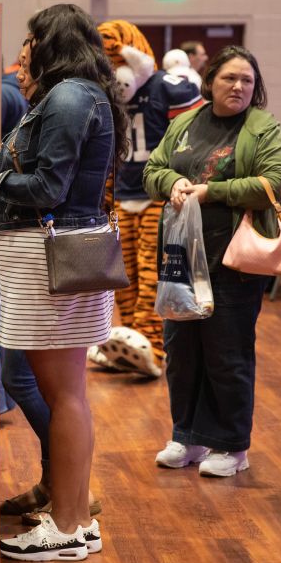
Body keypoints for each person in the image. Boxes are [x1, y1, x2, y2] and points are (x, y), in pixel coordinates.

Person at [0, 3, 128, 561]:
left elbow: (49, 188)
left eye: (31, 38)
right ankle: (76, 521)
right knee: (68, 394)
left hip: (47, 256)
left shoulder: (70, 95)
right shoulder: (74, 94)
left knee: (66, 396)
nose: (25, 48)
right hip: (45, 255)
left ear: (51, 40)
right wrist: (3, 167)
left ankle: (67, 525)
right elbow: (47, 174)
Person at [143, 45, 281, 477]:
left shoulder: (263, 127)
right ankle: (187, 436)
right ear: (210, 82)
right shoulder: (185, 122)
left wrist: (211, 192)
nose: (239, 86)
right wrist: (172, 181)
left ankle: (232, 446)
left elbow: (274, 183)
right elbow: (151, 170)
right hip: (182, 260)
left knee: (227, 354)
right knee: (181, 351)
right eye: (230, 78)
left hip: (234, 262)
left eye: (247, 80)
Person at [93, 21, 204, 378]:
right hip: (124, 195)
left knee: (153, 274)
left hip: (160, 195)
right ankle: (129, 342)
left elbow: (195, 135)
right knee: (123, 277)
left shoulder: (165, 87)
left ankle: (154, 346)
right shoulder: (103, 97)